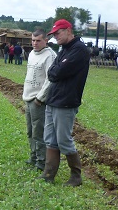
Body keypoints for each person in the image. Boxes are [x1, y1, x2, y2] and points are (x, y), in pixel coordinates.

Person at [41, 19, 91, 186]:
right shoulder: (64, 50)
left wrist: (56, 70)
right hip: (53, 99)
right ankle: (49, 174)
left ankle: (76, 176)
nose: (55, 37)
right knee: (50, 139)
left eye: (58, 33)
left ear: (69, 30)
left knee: (63, 139)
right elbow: (52, 73)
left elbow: (58, 72)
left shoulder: (79, 50)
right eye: (53, 34)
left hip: (66, 101)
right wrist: (56, 70)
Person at [23, 28, 56, 171]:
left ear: (46, 41)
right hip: (28, 98)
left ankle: (41, 162)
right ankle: (33, 156)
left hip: (38, 101)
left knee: (39, 132)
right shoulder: (31, 54)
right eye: (33, 40)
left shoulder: (50, 56)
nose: (35, 43)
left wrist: (40, 98)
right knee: (30, 131)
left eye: (38, 40)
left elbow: (51, 79)